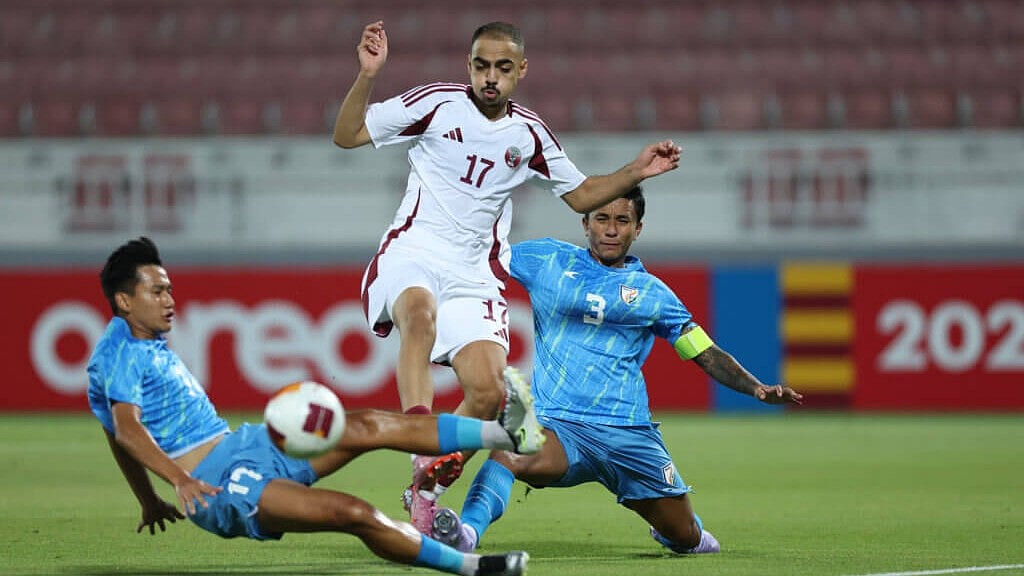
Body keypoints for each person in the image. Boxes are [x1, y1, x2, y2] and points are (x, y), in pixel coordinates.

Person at [331, 19, 683, 534]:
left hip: (474, 271)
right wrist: (367, 75)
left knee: (492, 392)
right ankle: (422, 440)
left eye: (501, 67)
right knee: (419, 316)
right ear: (467, 66)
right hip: (414, 251)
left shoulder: (529, 135)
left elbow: (582, 196)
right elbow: (347, 135)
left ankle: (424, 492)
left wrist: (636, 170)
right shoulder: (436, 102)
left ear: (521, 70)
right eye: (480, 66)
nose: (489, 77)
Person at [86, 236, 548, 576]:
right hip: (215, 485)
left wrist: (148, 500)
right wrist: (177, 481)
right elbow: (127, 429)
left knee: (366, 424)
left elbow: (113, 430)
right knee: (353, 514)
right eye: (156, 292)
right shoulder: (118, 353)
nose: (170, 300)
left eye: (169, 288)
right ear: (124, 300)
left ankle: (507, 435)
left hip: (241, 445)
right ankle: (474, 568)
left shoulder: (145, 343)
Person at [426, 187, 804, 555]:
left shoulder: (653, 293)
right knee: (509, 449)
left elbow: (702, 351)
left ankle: (676, 529)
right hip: (559, 427)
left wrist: (755, 388)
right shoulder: (548, 260)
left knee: (686, 537)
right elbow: (477, 265)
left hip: (627, 434)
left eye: (622, 220)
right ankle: (466, 536)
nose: (610, 229)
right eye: (602, 218)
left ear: (637, 228)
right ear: (585, 222)